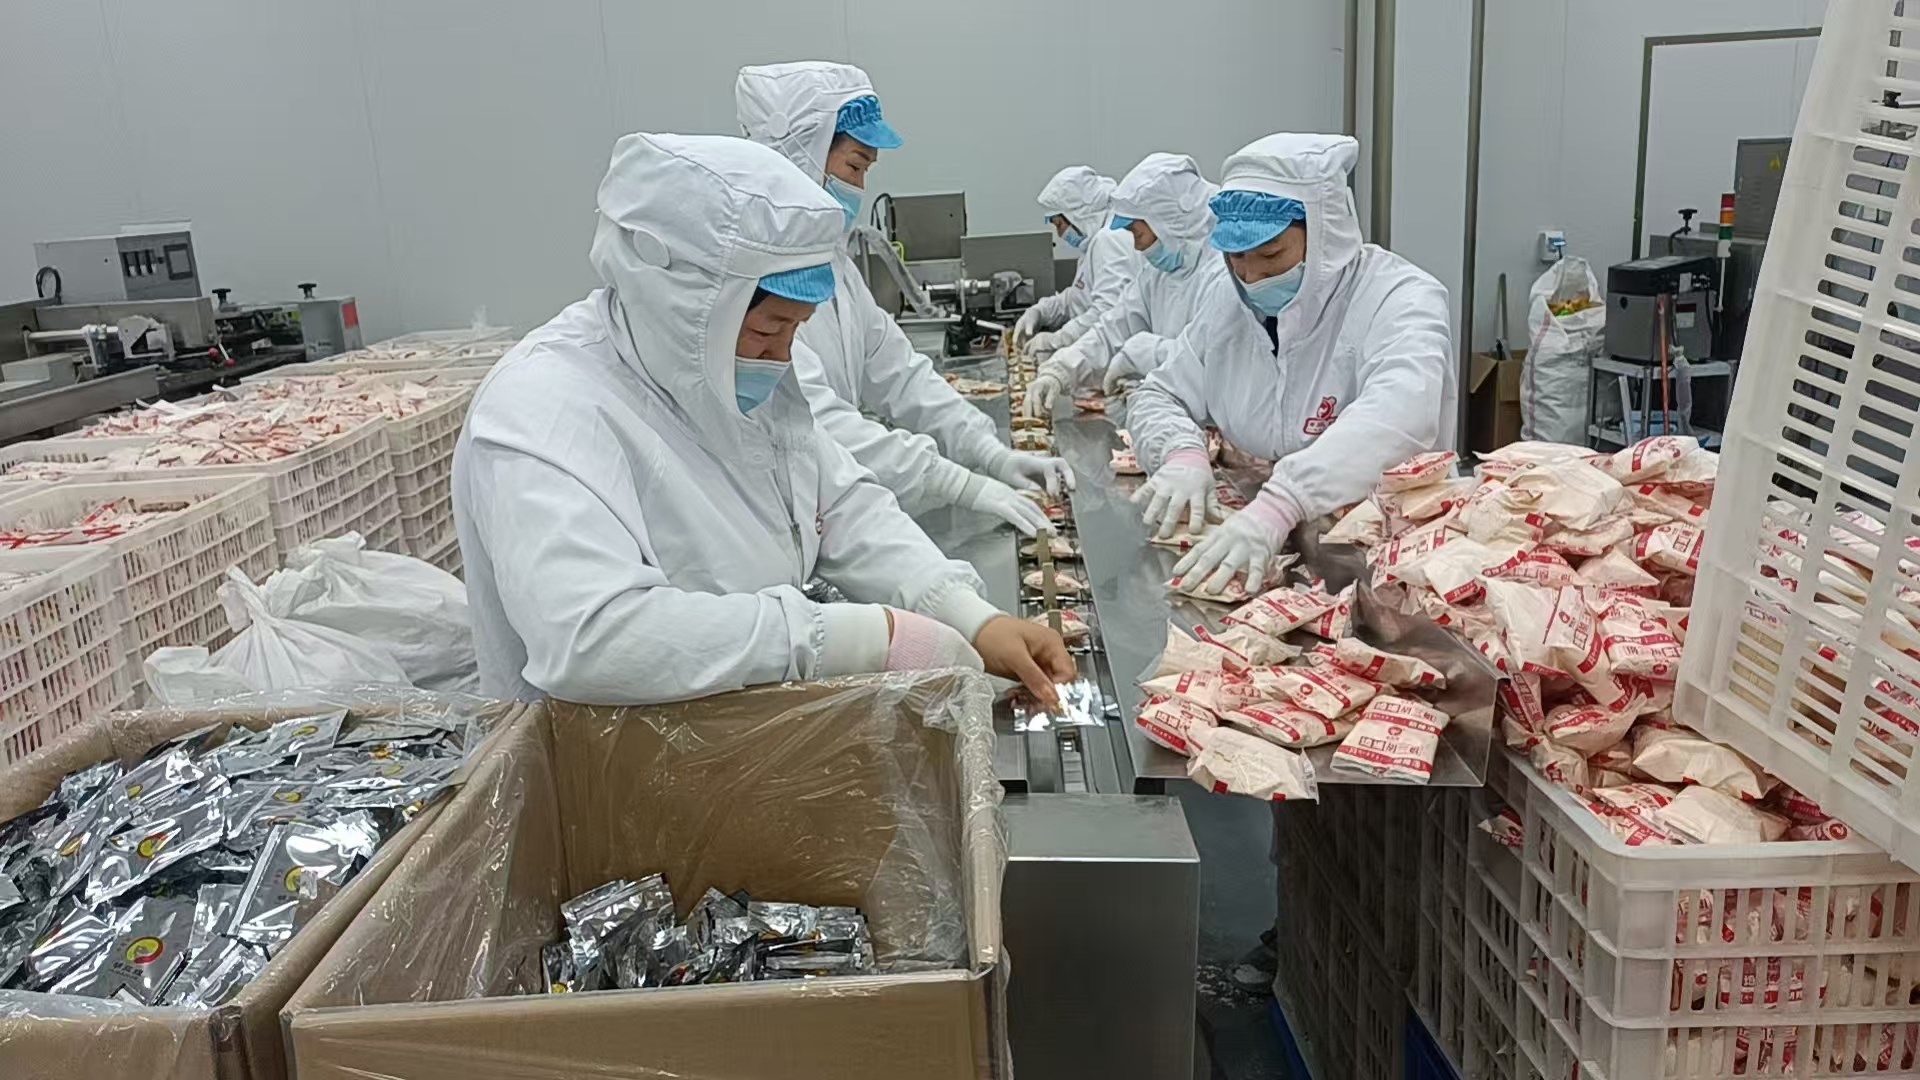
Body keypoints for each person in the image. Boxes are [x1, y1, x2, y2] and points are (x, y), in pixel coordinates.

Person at [452, 132, 1073, 708]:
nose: (780, 358)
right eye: (769, 329)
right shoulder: (543, 408)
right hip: (600, 775)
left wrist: (966, 613)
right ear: (691, 307)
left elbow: (841, 505)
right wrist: (853, 639)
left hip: (734, 747)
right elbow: (594, 638)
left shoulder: (727, 374)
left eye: (795, 332)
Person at [735, 62, 1070, 536]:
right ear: (801, 156)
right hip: (775, 517)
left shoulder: (835, 265)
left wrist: (988, 452)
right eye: (854, 167)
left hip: (824, 511)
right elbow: (816, 422)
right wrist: (956, 483)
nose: (860, 188)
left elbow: (900, 372)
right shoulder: (757, 277)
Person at [1129, 133, 1456, 596]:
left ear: (1325, 235)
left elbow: (1401, 413)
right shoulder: (1228, 303)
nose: (1251, 276)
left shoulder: (1398, 296)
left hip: (1394, 555)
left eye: (1270, 255)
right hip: (1271, 550)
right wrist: (1181, 453)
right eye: (1236, 256)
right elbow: (1160, 392)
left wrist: (1283, 501)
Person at [1022, 153, 1229, 417]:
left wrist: (1146, 354)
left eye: (1137, 233)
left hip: (1215, 423)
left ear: (1169, 223)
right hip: (1174, 415)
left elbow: (1213, 362)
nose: (1136, 246)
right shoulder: (1157, 272)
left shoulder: (1221, 274)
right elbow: (1114, 326)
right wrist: (1061, 369)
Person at [1013, 167, 1143, 360]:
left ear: (1078, 214)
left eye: (1059, 224)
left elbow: (1107, 312)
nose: (1060, 234)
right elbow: (1078, 298)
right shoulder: (1094, 243)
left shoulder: (1110, 239)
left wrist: (1057, 340)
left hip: (1110, 355)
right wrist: (1041, 311)